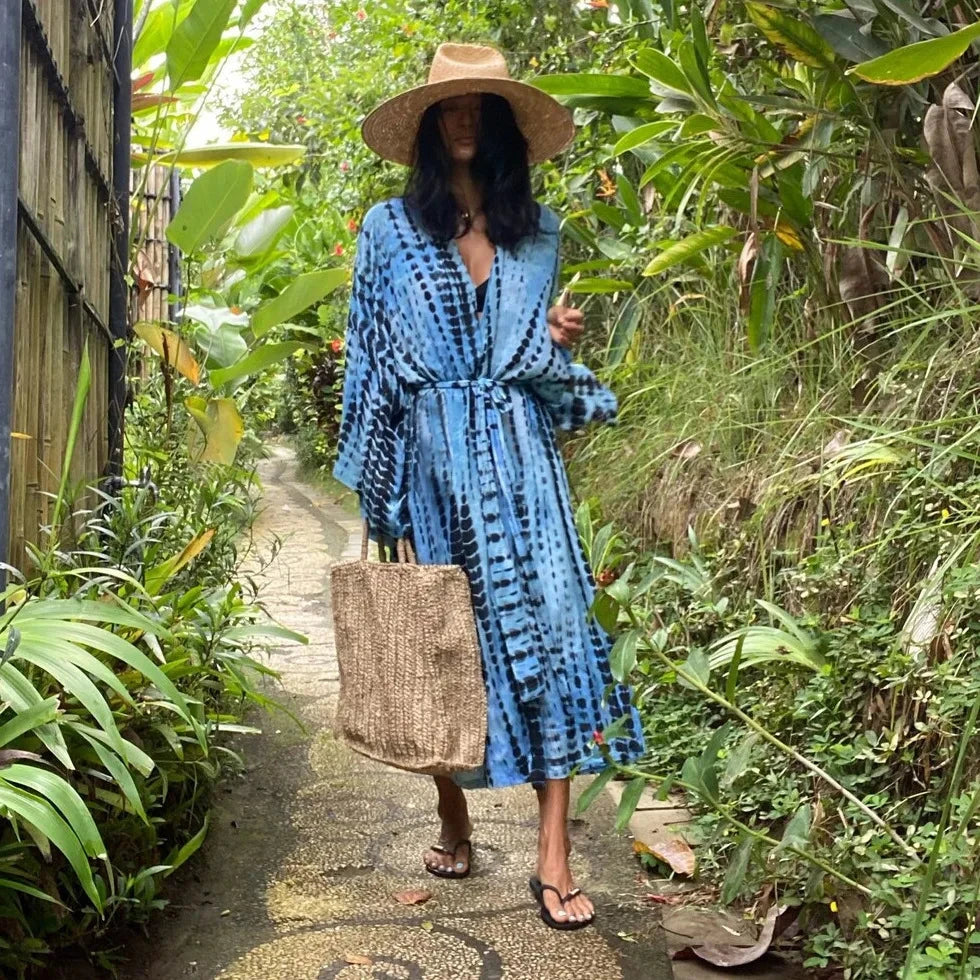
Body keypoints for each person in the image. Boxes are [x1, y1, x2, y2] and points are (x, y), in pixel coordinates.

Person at [334, 42, 645, 932]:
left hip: (521, 458)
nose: (466, 119)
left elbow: (534, 370)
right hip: (430, 463)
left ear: (501, 123)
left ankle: (554, 857)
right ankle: (453, 814)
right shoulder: (388, 231)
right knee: (442, 646)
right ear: (431, 126)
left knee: (555, 638)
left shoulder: (538, 234)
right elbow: (373, 368)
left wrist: (558, 348)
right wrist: (382, 499)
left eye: (481, 106)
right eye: (451, 107)